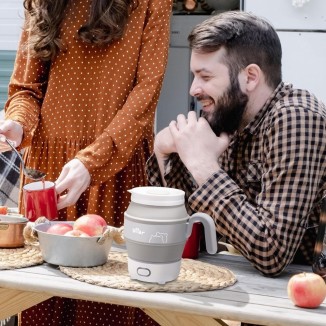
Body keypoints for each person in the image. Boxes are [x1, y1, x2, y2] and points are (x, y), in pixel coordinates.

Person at [0, 0, 172, 325]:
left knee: (108, 300)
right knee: (39, 300)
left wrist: (92, 161)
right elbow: (26, 88)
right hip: (48, 172)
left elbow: (147, 92)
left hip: (114, 166)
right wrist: (18, 122)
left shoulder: (151, 3)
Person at [146, 11, 326, 280]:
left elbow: (271, 253)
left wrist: (204, 167)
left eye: (205, 77)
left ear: (250, 77)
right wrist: (164, 154)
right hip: (244, 286)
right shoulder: (229, 118)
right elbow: (192, 234)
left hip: (300, 304)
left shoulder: (296, 118)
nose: (193, 89)